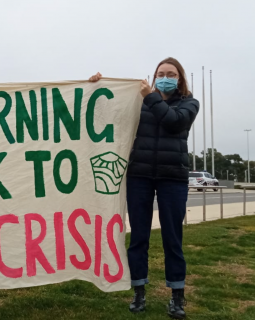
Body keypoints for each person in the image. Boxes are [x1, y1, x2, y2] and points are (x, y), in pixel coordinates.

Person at [90, 57, 199, 319]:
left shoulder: (189, 103)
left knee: (173, 239)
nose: (165, 77)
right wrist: (96, 86)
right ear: (153, 76)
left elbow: (173, 122)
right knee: (138, 238)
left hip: (173, 178)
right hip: (139, 176)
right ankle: (138, 291)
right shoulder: (140, 101)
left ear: (180, 78)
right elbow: (108, 114)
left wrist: (151, 97)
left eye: (171, 74)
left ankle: (176, 296)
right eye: (160, 73)